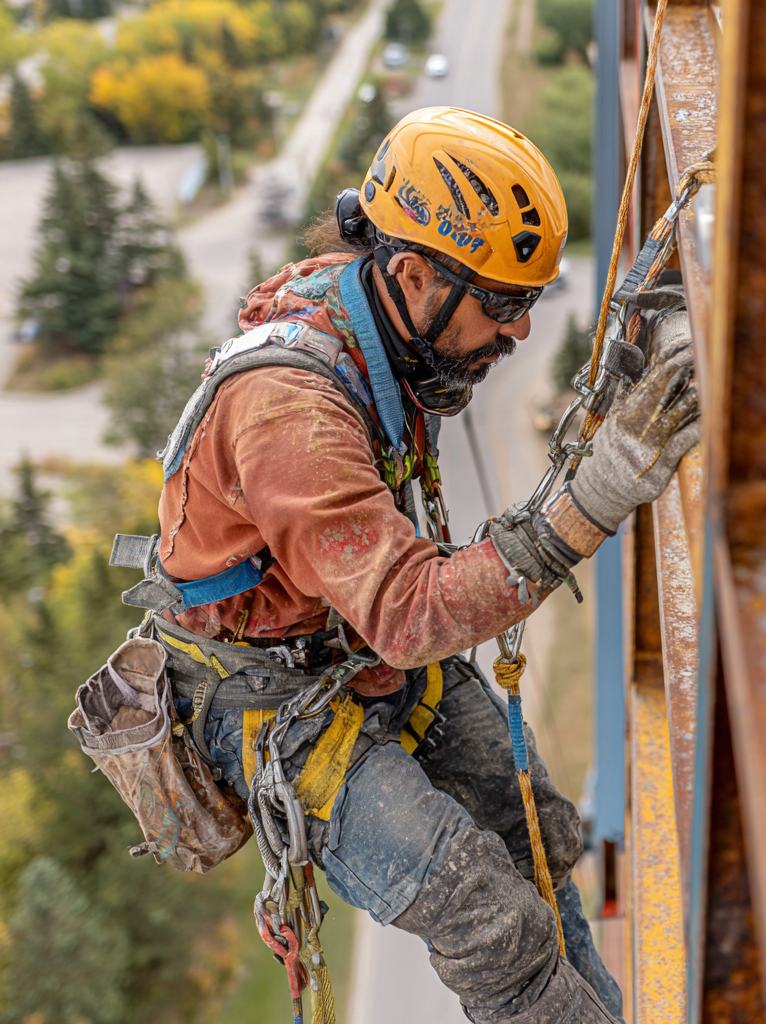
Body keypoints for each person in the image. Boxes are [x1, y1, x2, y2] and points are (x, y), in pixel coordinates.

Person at [135, 107, 698, 1024]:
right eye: (502, 304)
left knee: (540, 832)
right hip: (268, 698)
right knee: (489, 920)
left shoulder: (383, 324)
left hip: (348, 644)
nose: (520, 331)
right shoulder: (290, 412)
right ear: (410, 274)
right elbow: (407, 614)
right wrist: (594, 497)